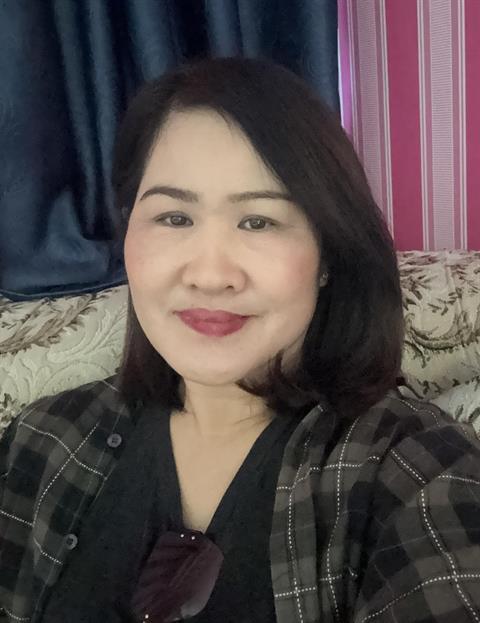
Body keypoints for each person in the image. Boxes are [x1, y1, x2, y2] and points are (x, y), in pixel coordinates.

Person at [1, 57, 480, 623]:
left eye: (258, 222)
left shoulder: (420, 473)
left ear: (328, 255)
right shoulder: (41, 440)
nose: (210, 275)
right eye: (174, 218)